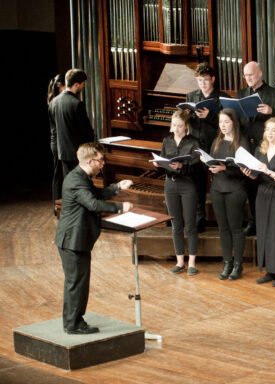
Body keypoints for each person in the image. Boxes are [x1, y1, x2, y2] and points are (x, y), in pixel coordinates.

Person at [55, 142, 133, 334]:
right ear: (90, 161)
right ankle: (73, 325)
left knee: (77, 283)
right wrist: (120, 208)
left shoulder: (81, 176)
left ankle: (74, 320)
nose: (103, 163)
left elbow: (95, 194)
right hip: (72, 240)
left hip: (77, 239)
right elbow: (93, 204)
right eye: (100, 160)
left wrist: (116, 188)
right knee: (76, 284)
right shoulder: (76, 181)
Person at [242, 118, 275, 287]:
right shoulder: (259, 149)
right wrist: (250, 174)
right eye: (267, 130)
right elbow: (256, 175)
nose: (269, 133)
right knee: (264, 232)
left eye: (273, 130)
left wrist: (269, 171)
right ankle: (270, 271)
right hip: (262, 194)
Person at [236, 61, 275, 237]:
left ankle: (268, 221)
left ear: (260, 73)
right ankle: (253, 221)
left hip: (266, 145)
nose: (248, 78)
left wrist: (271, 111)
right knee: (249, 184)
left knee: (265, 184)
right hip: (247, 145)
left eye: (251, 74)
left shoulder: (274, 93)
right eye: (246, 75)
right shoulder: (241, 93)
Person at [205, 109, 249, 280]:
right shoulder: (217, 141)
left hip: (235, 189)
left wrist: (225, 168)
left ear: (234, 123)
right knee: (222, 228)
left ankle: (238, 265)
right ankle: (227, 262)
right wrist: (207, 163)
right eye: (221, 122)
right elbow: (212, 162)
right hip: (217, 188)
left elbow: (246, 170)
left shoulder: (241, 142)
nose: (223, 125)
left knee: (235, 228)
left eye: (226, 122)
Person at [154, 110, 200, 276]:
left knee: (190, 225)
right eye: (174, 125)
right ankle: (180, 261)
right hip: (170, 185)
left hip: (187, 185)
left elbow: (196, 167)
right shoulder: (167, 141)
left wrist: (182, 167)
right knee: (176, 224)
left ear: (186, 126)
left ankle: (192, 263)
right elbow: (163, 159)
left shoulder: (194, 142)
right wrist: (159, 165)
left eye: (180, 126)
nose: (177, 129)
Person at [186, 63, 230, 233]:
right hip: (196, 146)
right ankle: (199, 219)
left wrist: (210, 116)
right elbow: (186, 120)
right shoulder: (191, 96)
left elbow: (227, 125)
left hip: (215, 145)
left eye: (205, 80)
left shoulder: (222, 98)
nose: (203, 84)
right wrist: (188, 114)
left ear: (212, 79)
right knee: (197, 184)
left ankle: (223, 221)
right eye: (199, 80)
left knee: (219, 183)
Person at [48, 69, 95, 178]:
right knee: (80, 184)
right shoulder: (77, 104)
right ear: (76, 85)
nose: (83, 87)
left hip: (62, 153)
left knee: (69, 183)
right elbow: (86, 131)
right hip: (78, 154)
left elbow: (54, 130)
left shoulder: (53, 103)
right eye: (82, 84)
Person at [47, 73, 66, 211]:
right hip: (58, 141)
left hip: (57, 141)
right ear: (60, 85)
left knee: (58, 173)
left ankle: (58, 203)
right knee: (58, 174)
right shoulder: (55, 101)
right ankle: (57, 204)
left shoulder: (54, 100)